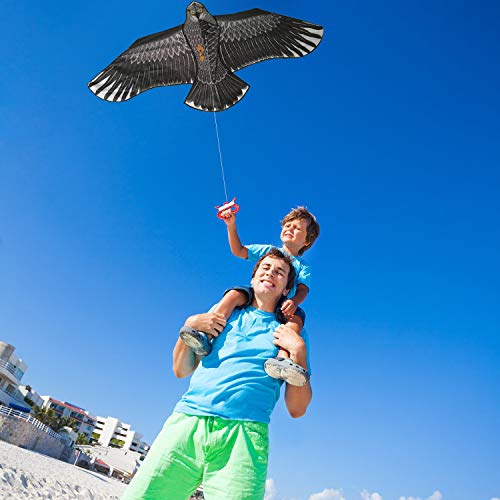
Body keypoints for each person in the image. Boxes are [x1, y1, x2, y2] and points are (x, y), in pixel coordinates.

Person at [122, 248, 312, 500]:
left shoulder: (290, 333)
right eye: (265, 268)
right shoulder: (225, 312)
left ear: (286, 289)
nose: (271, 273)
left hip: (244, 437)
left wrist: (298, 351)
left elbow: (297, 409)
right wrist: (188, 326)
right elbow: (181, 370)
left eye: (280, 272)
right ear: (253, 278)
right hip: (188, 421)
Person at [180, 206, 320, 386]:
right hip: (256, 295)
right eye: (288, 225)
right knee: (234, 295)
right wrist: (231, 225)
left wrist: (293, 301)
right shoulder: (268, 251)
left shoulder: (302, 266)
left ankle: (282, 358)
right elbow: (238, 250)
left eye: (297, 228)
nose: (290, 229)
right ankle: (206, 335)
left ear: (307, 241)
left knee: (297, 320)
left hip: (283, 305)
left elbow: (303, 289)